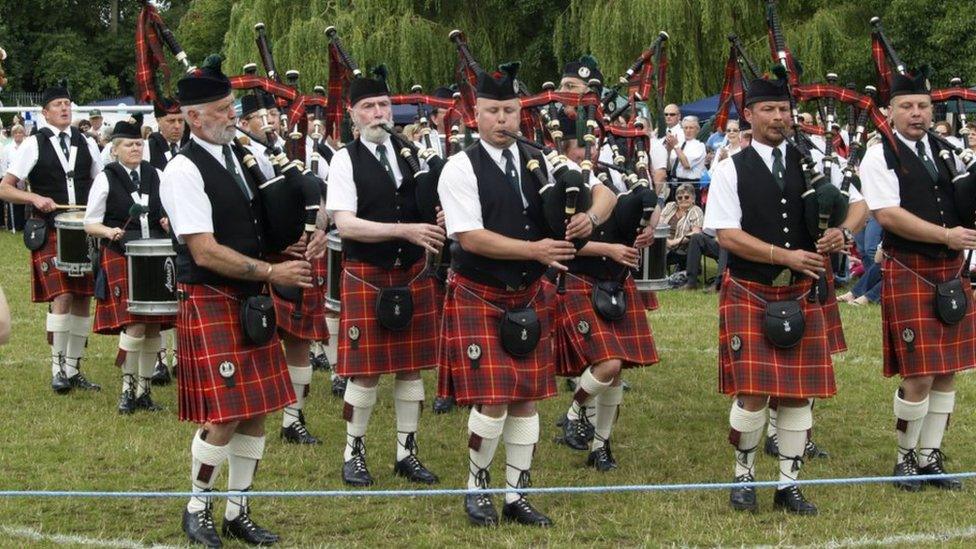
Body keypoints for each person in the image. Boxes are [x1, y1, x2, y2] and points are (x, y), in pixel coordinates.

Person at [438, 61, 614, 527]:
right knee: (492, 399)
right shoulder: (460, 166)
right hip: (481, 290)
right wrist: (534, 249)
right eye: (494, 112)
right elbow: (469, 236)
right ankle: (477, 486)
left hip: (530, 295)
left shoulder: (541, 158)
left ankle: (516, 493)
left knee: (526, 399)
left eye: (511, 112)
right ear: (476, 115)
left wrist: (588, 220)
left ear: (521, 114)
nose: (503, 121)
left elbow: (606, 194)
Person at [160, 54, 315, 547]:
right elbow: (204, 249)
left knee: (256, 410)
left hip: (250, 299)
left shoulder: (242, 157)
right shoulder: (183, 170)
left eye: (232, 107)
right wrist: (273, 271)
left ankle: (237, 509)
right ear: (193, 117)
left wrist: (286, 244)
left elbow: (252, 227)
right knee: (224, 414)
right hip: (213, 297)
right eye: (224, 109)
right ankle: (197, 507)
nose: (234, 115)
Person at [705, 75, 842, 515]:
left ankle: (789, 484)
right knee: (752, 392)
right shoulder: (730, 167)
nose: (778, 117)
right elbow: (726, 235)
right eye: (768, 110)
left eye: (784, 109)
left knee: (798, 393)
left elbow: (857, 205)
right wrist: (785, 256)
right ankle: (743, 476)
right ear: (749, 115)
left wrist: (842, 231)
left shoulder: (813, 162)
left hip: (801, 291)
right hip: (751, 288)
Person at [325, 66, 443, 488]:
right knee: (365, 372)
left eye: (383, 105)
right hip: (367, 274)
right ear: (352, 114)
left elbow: (425, 209)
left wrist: (436, 216)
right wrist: (404, 231)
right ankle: (353, 453)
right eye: (368, 107)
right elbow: (347, 225)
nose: (378, 114)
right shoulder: (344, 160)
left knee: (411, 369)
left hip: (410, 273)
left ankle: (406, 453)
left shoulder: (409, 155)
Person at [859, 67, 976, 492]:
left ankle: (931, 458)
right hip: (911, 268)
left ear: (932, 109)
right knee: (920, 374)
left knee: (948, 370)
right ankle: (905, 458)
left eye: (923, 106)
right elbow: (886, 214)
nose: (916, 113)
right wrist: (946, 235)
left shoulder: (947, 149)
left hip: (950, 271)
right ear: (890, 112)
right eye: (906, 106)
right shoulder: (880, 154)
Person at [549, 118, 656, 471]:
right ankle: (574, 409)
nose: (588, 153)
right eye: (581, 146)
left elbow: (631, 210)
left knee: (616, 371)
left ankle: (601, 445)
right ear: (564, 148)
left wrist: (645, 233)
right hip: (580, 280)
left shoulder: (602, 181)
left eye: (591, 146)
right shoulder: (556, 182)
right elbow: (563, 244)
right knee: (608, 363)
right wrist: (609, 251)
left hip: (615, 283)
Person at [0, 85, 104, 394]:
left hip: (83, 229)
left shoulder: (87, 142)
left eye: (67, 104)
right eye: (57, 104)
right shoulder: (33, 144)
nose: (64, 109)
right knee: (63, 297)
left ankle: (74, 368)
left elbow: (103, 182)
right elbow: (5, 188)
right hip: (51, 228)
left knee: (84, 298)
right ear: (45, 112)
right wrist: (33, 197)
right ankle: (58, 368)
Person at [84, 116, 173, 414]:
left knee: (153, 327)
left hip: (156, 255)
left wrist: (166, 219)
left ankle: (144, 391)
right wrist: (109, 232)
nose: (135, 149)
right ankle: (127, 390)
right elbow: (89, 223)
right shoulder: (106, 177)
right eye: (128, 145)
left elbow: (168, 211)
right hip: (122, 254)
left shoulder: (156, 174)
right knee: (134, 324)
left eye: (139, 144)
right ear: (115, 149)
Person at [144, 97, 189, 385]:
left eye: (180, 121)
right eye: (170, 121)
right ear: (158, 122)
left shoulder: (189, 146)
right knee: (161, 292)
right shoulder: (148, 148)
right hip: (158, 227)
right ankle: (160, 358)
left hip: (186, 227)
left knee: (181, 292)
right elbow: (145, 187)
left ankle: (180, 357)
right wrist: (161, 215)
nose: (176, 126)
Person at [660, 182, 704, 271]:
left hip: (681, 249)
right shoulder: (670, 206)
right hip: (662, 242)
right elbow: (659, 223)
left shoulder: (696, 211)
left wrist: (673, 242)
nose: (683, 199)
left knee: (655, 253)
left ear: (693, 198)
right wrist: (664, 240)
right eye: (679, 197)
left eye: (686, 197)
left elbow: (696, 233)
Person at [0, 124, 28, 231]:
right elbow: (4, 164)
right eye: (16, 133)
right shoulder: (7, 148)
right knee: (12, 200)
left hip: (23, 178)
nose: (18, 135)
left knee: (22, 201)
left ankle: (22, 224)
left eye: (20, 132)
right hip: (11, 177)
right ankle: (12, 225)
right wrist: (4, 176)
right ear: (13, 134)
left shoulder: (27, 147)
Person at [666, 116, 707, 184]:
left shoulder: (699, 146)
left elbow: (687, 165)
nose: (688, 130)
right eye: (685, 128)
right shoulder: (678, 144)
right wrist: (668, 151)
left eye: (691, 128)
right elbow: (668, 168)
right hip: (674, 181)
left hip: (690, 183)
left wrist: (675, 146)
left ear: (697, 130)